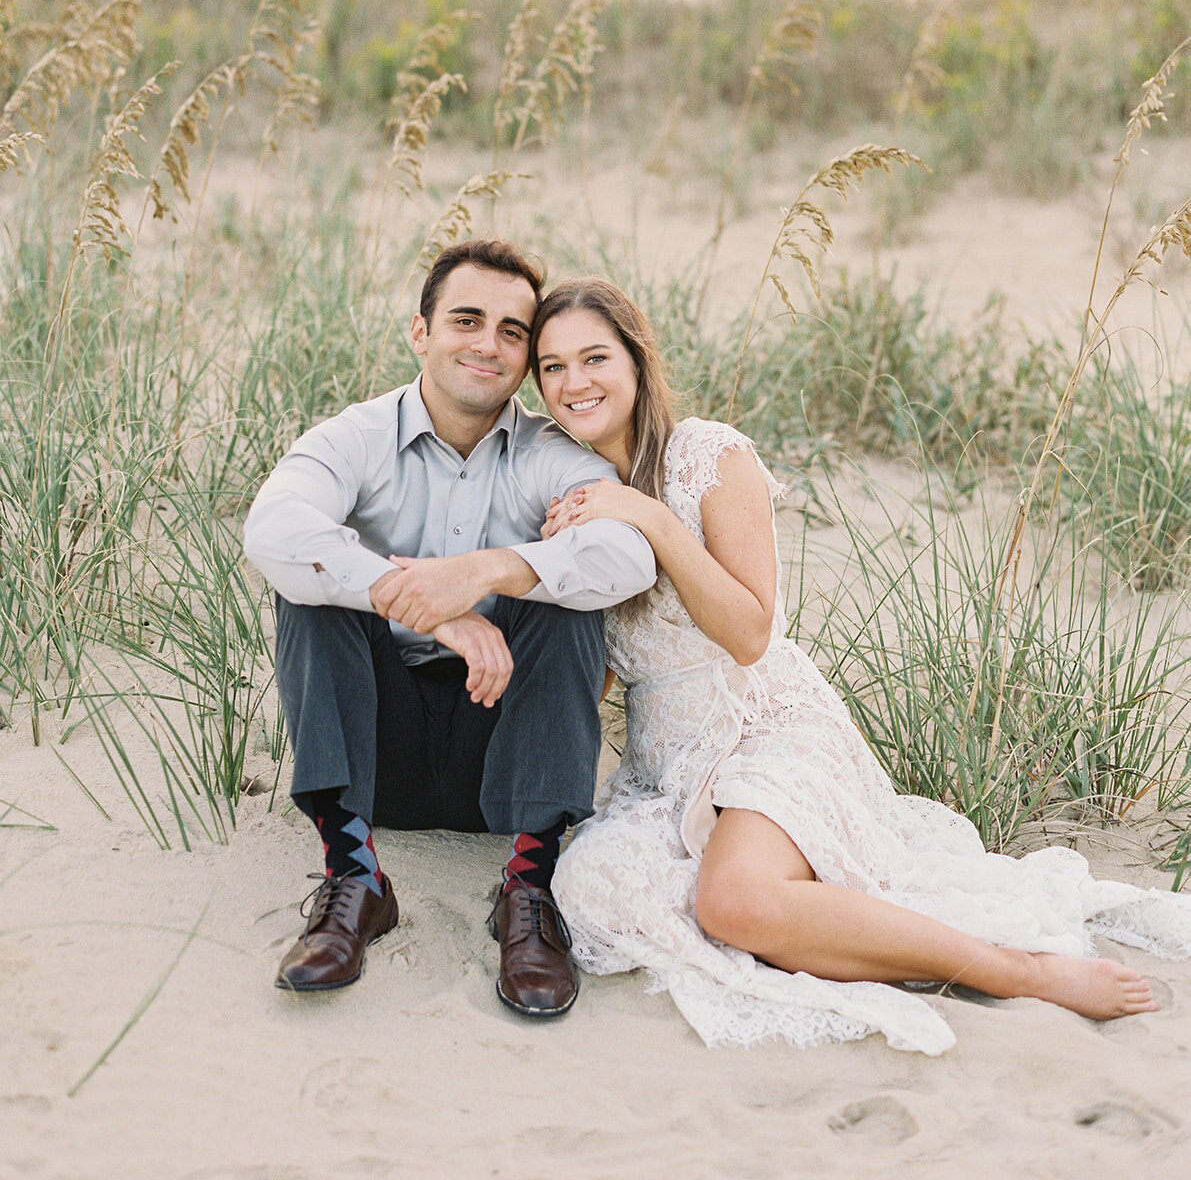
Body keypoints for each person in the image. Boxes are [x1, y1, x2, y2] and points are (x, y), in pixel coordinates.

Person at [530, 276, 1191, 1054]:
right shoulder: (566, 491)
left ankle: (1013, 969)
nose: (574, 383)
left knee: (732, 907)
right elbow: (596, 665)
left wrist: (651, 520)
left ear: (636, 361)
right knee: (589, 891)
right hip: (666, 761)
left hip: (764, 727)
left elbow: (749, 632)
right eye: (551, 367)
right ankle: (819, 907)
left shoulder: (706, 456)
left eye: (594, 357)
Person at [243, 241, 656, 1018]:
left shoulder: (552, 455)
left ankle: (528, 892)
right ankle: (356, 878)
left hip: (500, 760)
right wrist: (420, 601)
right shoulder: (353, 438)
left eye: (512, 331)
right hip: (376, 757)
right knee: (314, 586)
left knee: (563, 592)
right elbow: (273, 528)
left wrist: (489, 571)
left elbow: (627, 555)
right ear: (419, 332)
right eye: (466, 319)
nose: (488, 344)